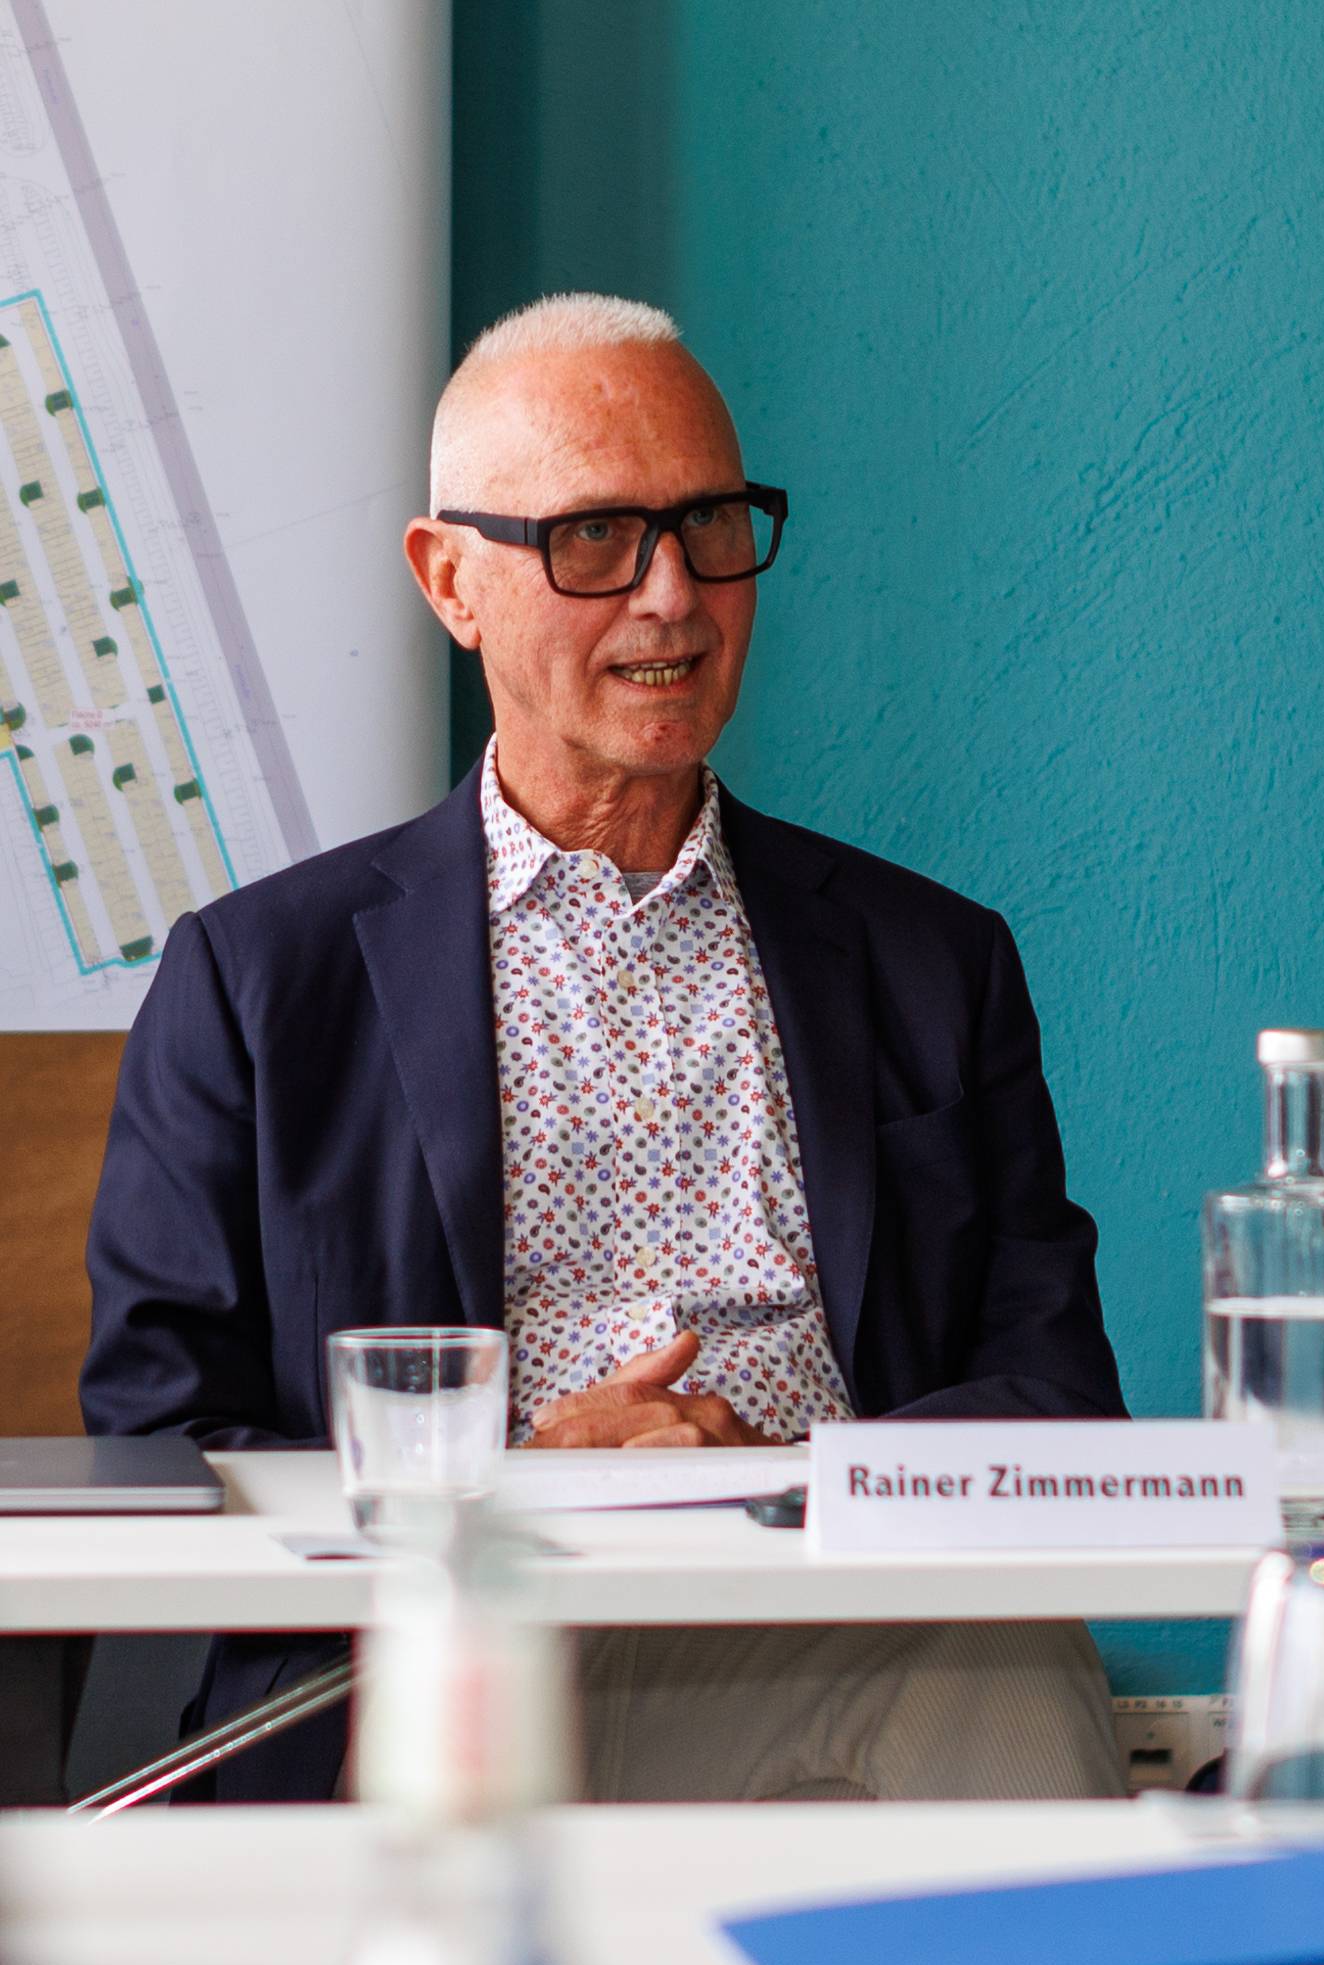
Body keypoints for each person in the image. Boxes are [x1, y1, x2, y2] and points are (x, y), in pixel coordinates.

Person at [82, 294, 1127, 1802]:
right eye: (593, 539)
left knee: (997, 1657)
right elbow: (159, 1436)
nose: (672, 596)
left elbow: (1053, 1393)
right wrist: (502, 1488)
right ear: (451, 580)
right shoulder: (258, 983)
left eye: (710, 526)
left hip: (835, 1619)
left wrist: (785, 1478)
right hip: (444, 1650)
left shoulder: (929, 962)